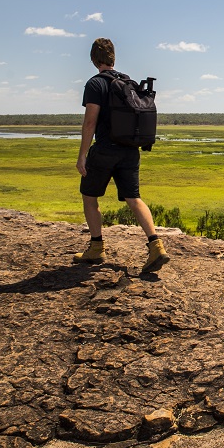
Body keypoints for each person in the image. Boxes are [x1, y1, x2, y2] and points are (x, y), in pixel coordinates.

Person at [73, 37, 169, 273]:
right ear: (113, 58)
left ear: (94, 59)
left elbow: (90, 123)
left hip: (105, 150)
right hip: (130, 152)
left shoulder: (95, 84)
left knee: (89, 196)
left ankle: (96, 248)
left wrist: (82, 154)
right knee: (134, 198)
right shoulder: (128, 82)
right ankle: (156, 246)